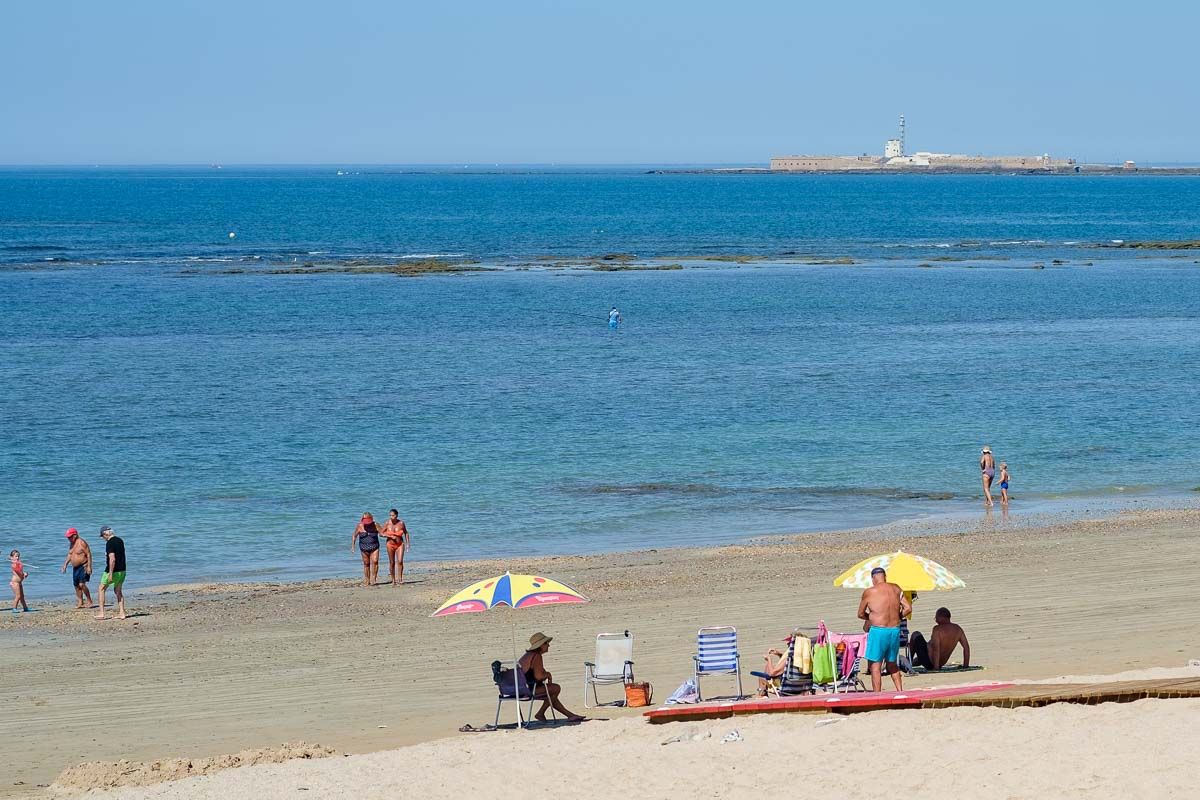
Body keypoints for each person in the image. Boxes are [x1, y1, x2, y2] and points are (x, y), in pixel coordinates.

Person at [857, 566, 911, 692]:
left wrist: (872, 617)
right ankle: (900, 691)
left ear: (873, 578)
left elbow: (860, 614)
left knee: (875, 666)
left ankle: (877, 695)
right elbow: (908, 608)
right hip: (894, 630)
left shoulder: (870, 592)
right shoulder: (896, 588)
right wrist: (897, 616)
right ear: (885, 576)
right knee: (892, 663)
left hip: (878, 630)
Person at [516, 632, 585, 722]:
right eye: (546, 643)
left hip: (517, 689)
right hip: (527, 690)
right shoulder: (536, 656)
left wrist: (545, 674)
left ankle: (570, 715)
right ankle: (541, 713)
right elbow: (539, 676)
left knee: (552, 694)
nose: (548, 645)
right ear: (541, 645)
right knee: (555, 688)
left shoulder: (527, 656)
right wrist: (548, 675)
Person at [96, 526, 127, 620]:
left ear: (106, 534)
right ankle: (122, 613)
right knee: (118, 590)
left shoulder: (109, 543)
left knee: (101, 589)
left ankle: (101, 613)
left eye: (102, 536)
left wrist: (110, 573)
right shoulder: (120, 540)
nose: (103, 538)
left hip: (113, 570)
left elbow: (112, 559)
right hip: (122, 569)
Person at [60, 528, 94, 609]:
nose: (69, 539)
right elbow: (70, 554)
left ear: (75, 535)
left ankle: (89, 601)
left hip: (83, 566)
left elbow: (89, 554)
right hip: (75, 568)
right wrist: (65, 565)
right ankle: (80, 602)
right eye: (68, 537)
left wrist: (89, 567)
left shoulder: (82, 543)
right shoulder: (71, 543)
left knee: (82, 584)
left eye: (70, 537)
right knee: (76, 585)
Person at [380, 509, 410, 586]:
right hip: (390, 544)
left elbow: (406, 533)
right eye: (390, 515)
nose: (391, 517)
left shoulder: (401, 523)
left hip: (400, 544)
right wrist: (389, 535)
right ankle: (393, 580)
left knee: (400, 561)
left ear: (397, 515)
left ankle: (400, 579)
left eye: (393, 515)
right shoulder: (387, 523)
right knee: (392, 562)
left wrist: (407, 544)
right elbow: (381, 533)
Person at [351, 513, 381, 586]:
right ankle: (367, 580)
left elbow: (382, 533)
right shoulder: (359, 526)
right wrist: (353, 546)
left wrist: (390, 535)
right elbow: (354, 536)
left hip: (374, 546)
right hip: (363, 547)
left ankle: (373, 579)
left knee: (375, 561)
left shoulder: (376, 524)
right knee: (366, 564)